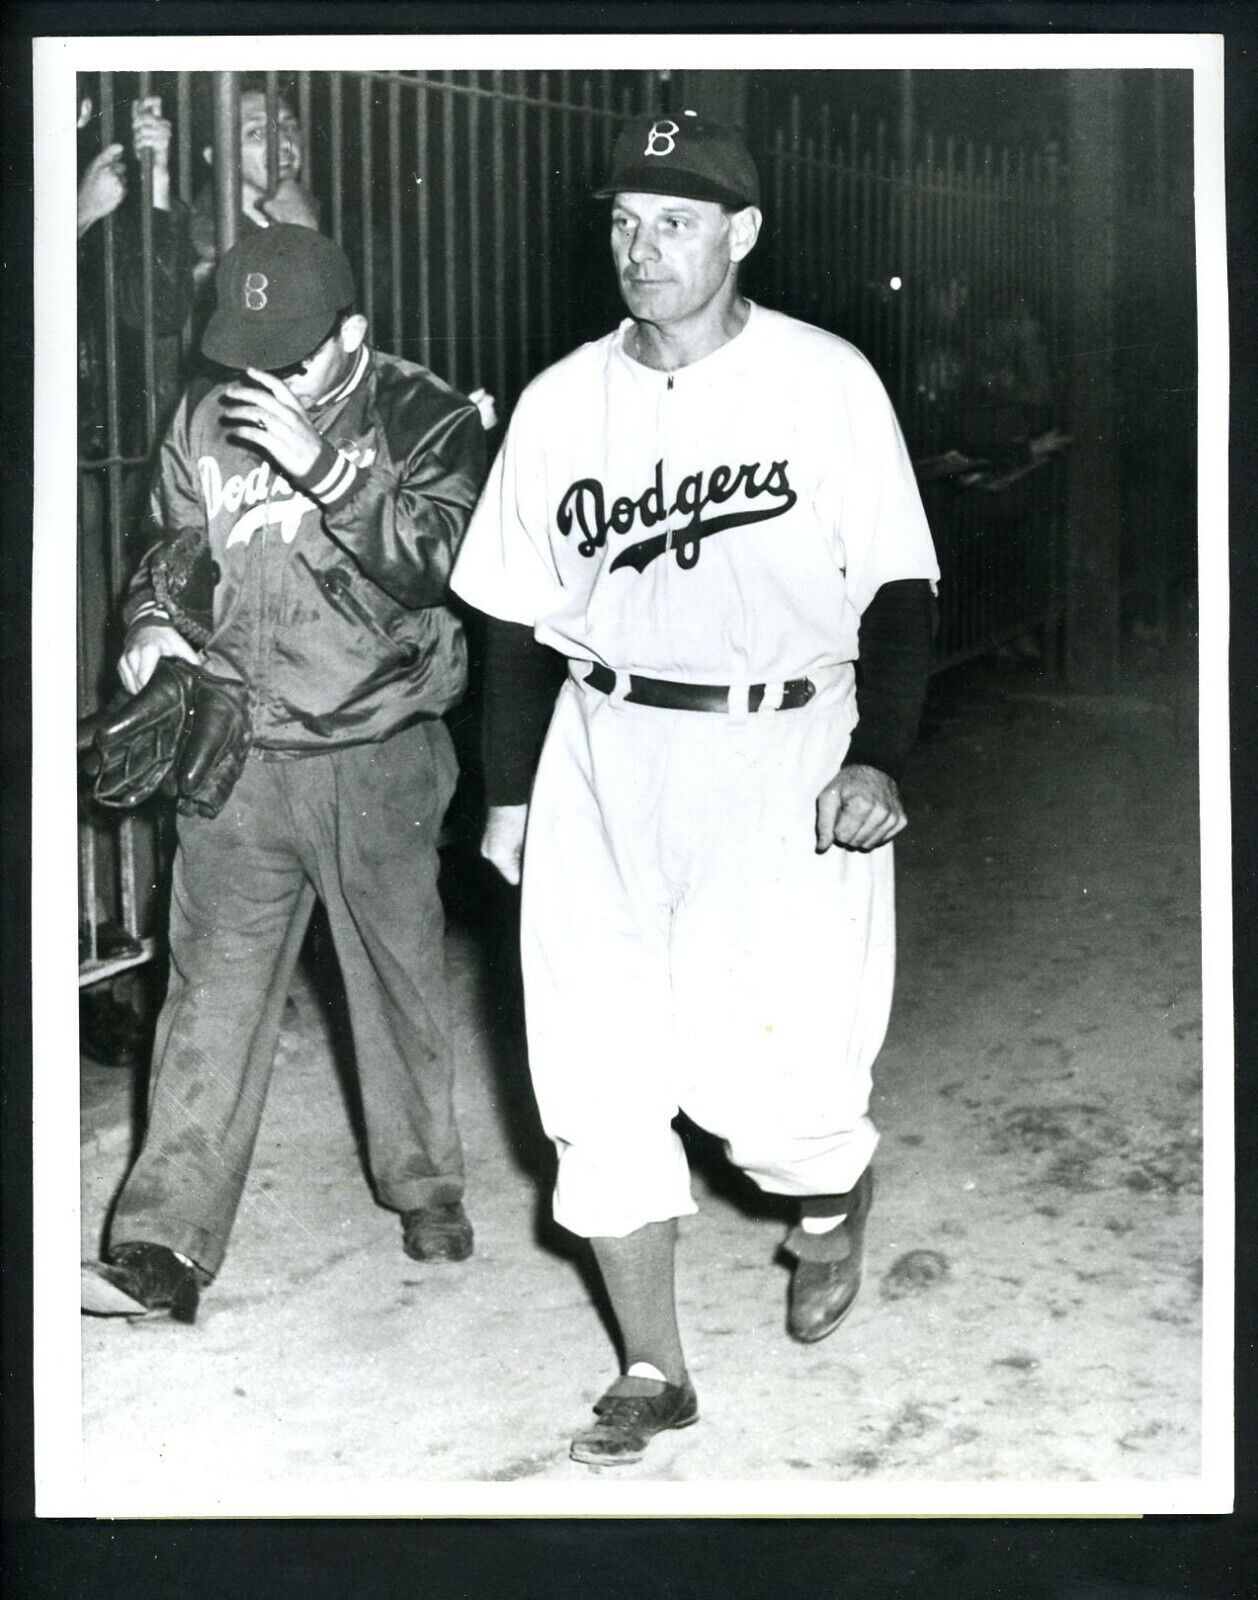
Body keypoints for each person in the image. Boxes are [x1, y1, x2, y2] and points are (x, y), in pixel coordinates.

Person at [450, 112, 940, 1467]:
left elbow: (899, 587)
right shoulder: (562, 403)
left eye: (673, 221)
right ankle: (651, 1366)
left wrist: (877, 755)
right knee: (592, 1076)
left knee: (768, 1088)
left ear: (741, 235)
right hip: (604, 750)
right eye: (622, 220)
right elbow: (508, 621)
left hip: (781, 749)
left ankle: (831, 1201)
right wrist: (506, 796)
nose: (640, 247)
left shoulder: (822, 381)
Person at [81, 224, 487, 1323]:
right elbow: (174, 545)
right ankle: (162, 1242)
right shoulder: (205, 415)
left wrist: (326, 469)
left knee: (394, 975)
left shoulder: (424, 414)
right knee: (207, 995)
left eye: (292, 356)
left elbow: (450, 560)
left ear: (353, 336)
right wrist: (157, 624)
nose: (262, 379)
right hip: (240, 747)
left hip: (377, 748)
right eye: (245, 355)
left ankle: (425, 1186)